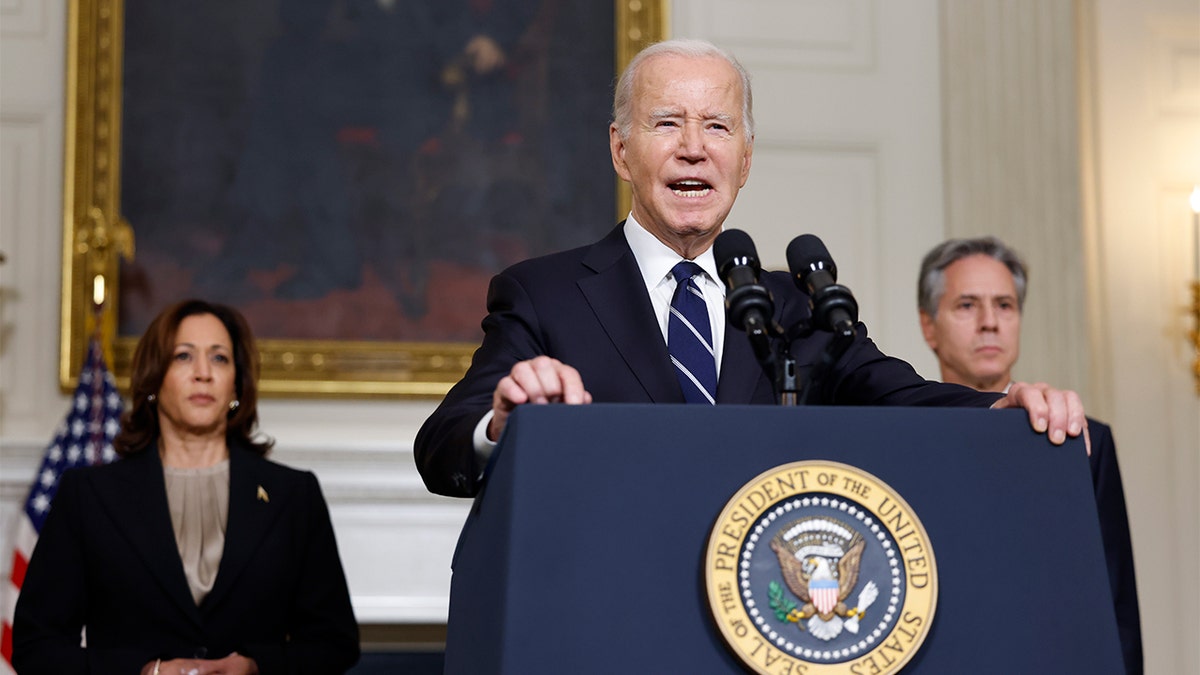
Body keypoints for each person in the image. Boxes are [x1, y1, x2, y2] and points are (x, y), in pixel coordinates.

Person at [414, 38, 1087, 499]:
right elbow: (443, 445)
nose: (693, 150)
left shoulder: (796, 305)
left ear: (745, 158)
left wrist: (1001, 406)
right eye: (667, 123)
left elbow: (900, 398)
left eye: (717, 127)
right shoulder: (544, 293)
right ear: (621, 151)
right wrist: (503, 423)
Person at [12, 300, 360, 675]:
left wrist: (257, 667)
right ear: (152, 379)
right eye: (183, 357)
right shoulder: (88, 495)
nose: (203, 373)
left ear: (236, 385)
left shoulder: (294, 495)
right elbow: (37, 647)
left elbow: (334, 644)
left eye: (220, 358)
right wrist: (145, 672)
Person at [917, 236, 1142, 674]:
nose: (990, 323)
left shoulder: (1083, 439)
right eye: (967, 305)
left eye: (1005, 305)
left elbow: (1115, 601)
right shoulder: (907, 441)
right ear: (929, 325)